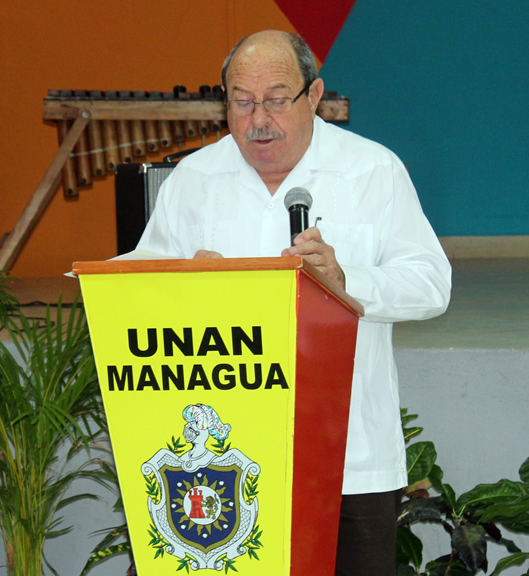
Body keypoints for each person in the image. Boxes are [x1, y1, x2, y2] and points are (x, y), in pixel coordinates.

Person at [136, 30, 452, 576]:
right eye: (241, 101)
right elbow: (139, 284)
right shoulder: (193, 180)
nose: (258, 119)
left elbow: (430, 283)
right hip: (225, 463)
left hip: (349, 458)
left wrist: (347, 281)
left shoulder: (373, 171)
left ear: (314, 96)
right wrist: (185, 282)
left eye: (277, 99)